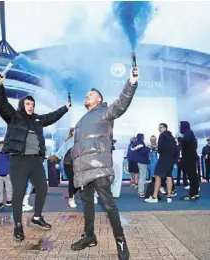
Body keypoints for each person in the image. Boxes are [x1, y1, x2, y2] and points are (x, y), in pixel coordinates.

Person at [70, 66, 139, 260]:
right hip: (83, 170)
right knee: (87, 204)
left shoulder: (105, 112)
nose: (87, 96)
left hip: (99, 167)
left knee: (109, 205)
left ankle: (121, 241)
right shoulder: (81, 120)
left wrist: (131, 83)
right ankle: (89, 236)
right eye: (86, 94)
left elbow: (121, 103)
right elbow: (79, 146)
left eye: (90, 94)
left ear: (99, 99)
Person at [0, 73, 70, 241]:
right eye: (27, 103)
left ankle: (36, 218)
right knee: (18, 194)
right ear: (22, 105)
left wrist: (65, 108)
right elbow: (1, 103)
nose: (30, 106)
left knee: (42, 188)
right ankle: (18, 225)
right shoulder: (13, 116)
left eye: (32, 104)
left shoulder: (37, 119)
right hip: (19, 160)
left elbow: (52, 116)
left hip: (36, 160)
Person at [145, 123, 177, 203]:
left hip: (163, 159)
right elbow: (176, 149)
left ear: (165, 128)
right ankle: (169, 196)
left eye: (161, 127)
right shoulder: (172, 137)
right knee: (169, 177)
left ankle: (154, 196)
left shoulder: (162, 136)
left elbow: (160, 148)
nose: (159, 129)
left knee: (157, 176)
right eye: (159, 128)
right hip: (170, 160)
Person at [48, 127, 78, 208]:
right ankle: (71, 199)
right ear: (71, 132)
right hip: (68, 164)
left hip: (79, 165)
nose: (75, 132)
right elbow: (60, 152)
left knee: (78, 182)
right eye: (73, 131)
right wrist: (54, 159)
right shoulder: (67, 142)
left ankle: (71, 194)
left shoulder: (81, 141)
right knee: (72, 181)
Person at [178, 121, 199, 201]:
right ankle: (195, 193)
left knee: (191, 176)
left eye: (180, 126)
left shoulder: (188, 132)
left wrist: (179, 138)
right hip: (190, 157)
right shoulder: (189, 132)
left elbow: (186, 141)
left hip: (190, 158)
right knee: (193, 175)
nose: (179, 128)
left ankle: (192, 194)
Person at [0, 141, 13, 210]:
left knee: (9, 188)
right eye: (0, 146)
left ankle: (9, 200)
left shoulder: (10, 155)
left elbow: (12, 165)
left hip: (8, 174)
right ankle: (0, 202)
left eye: (3, 145)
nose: (2, 147)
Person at [129, 133, 150, 198]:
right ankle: (141, 192)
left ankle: (140, 191)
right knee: (142, 176)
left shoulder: (134, 144)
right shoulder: (140, 143)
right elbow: (142, 151)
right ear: (141, 137)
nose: (144, 138)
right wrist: (149, 148)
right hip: (142, 161)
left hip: (138, 161)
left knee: (140, 176)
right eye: (143, 137)